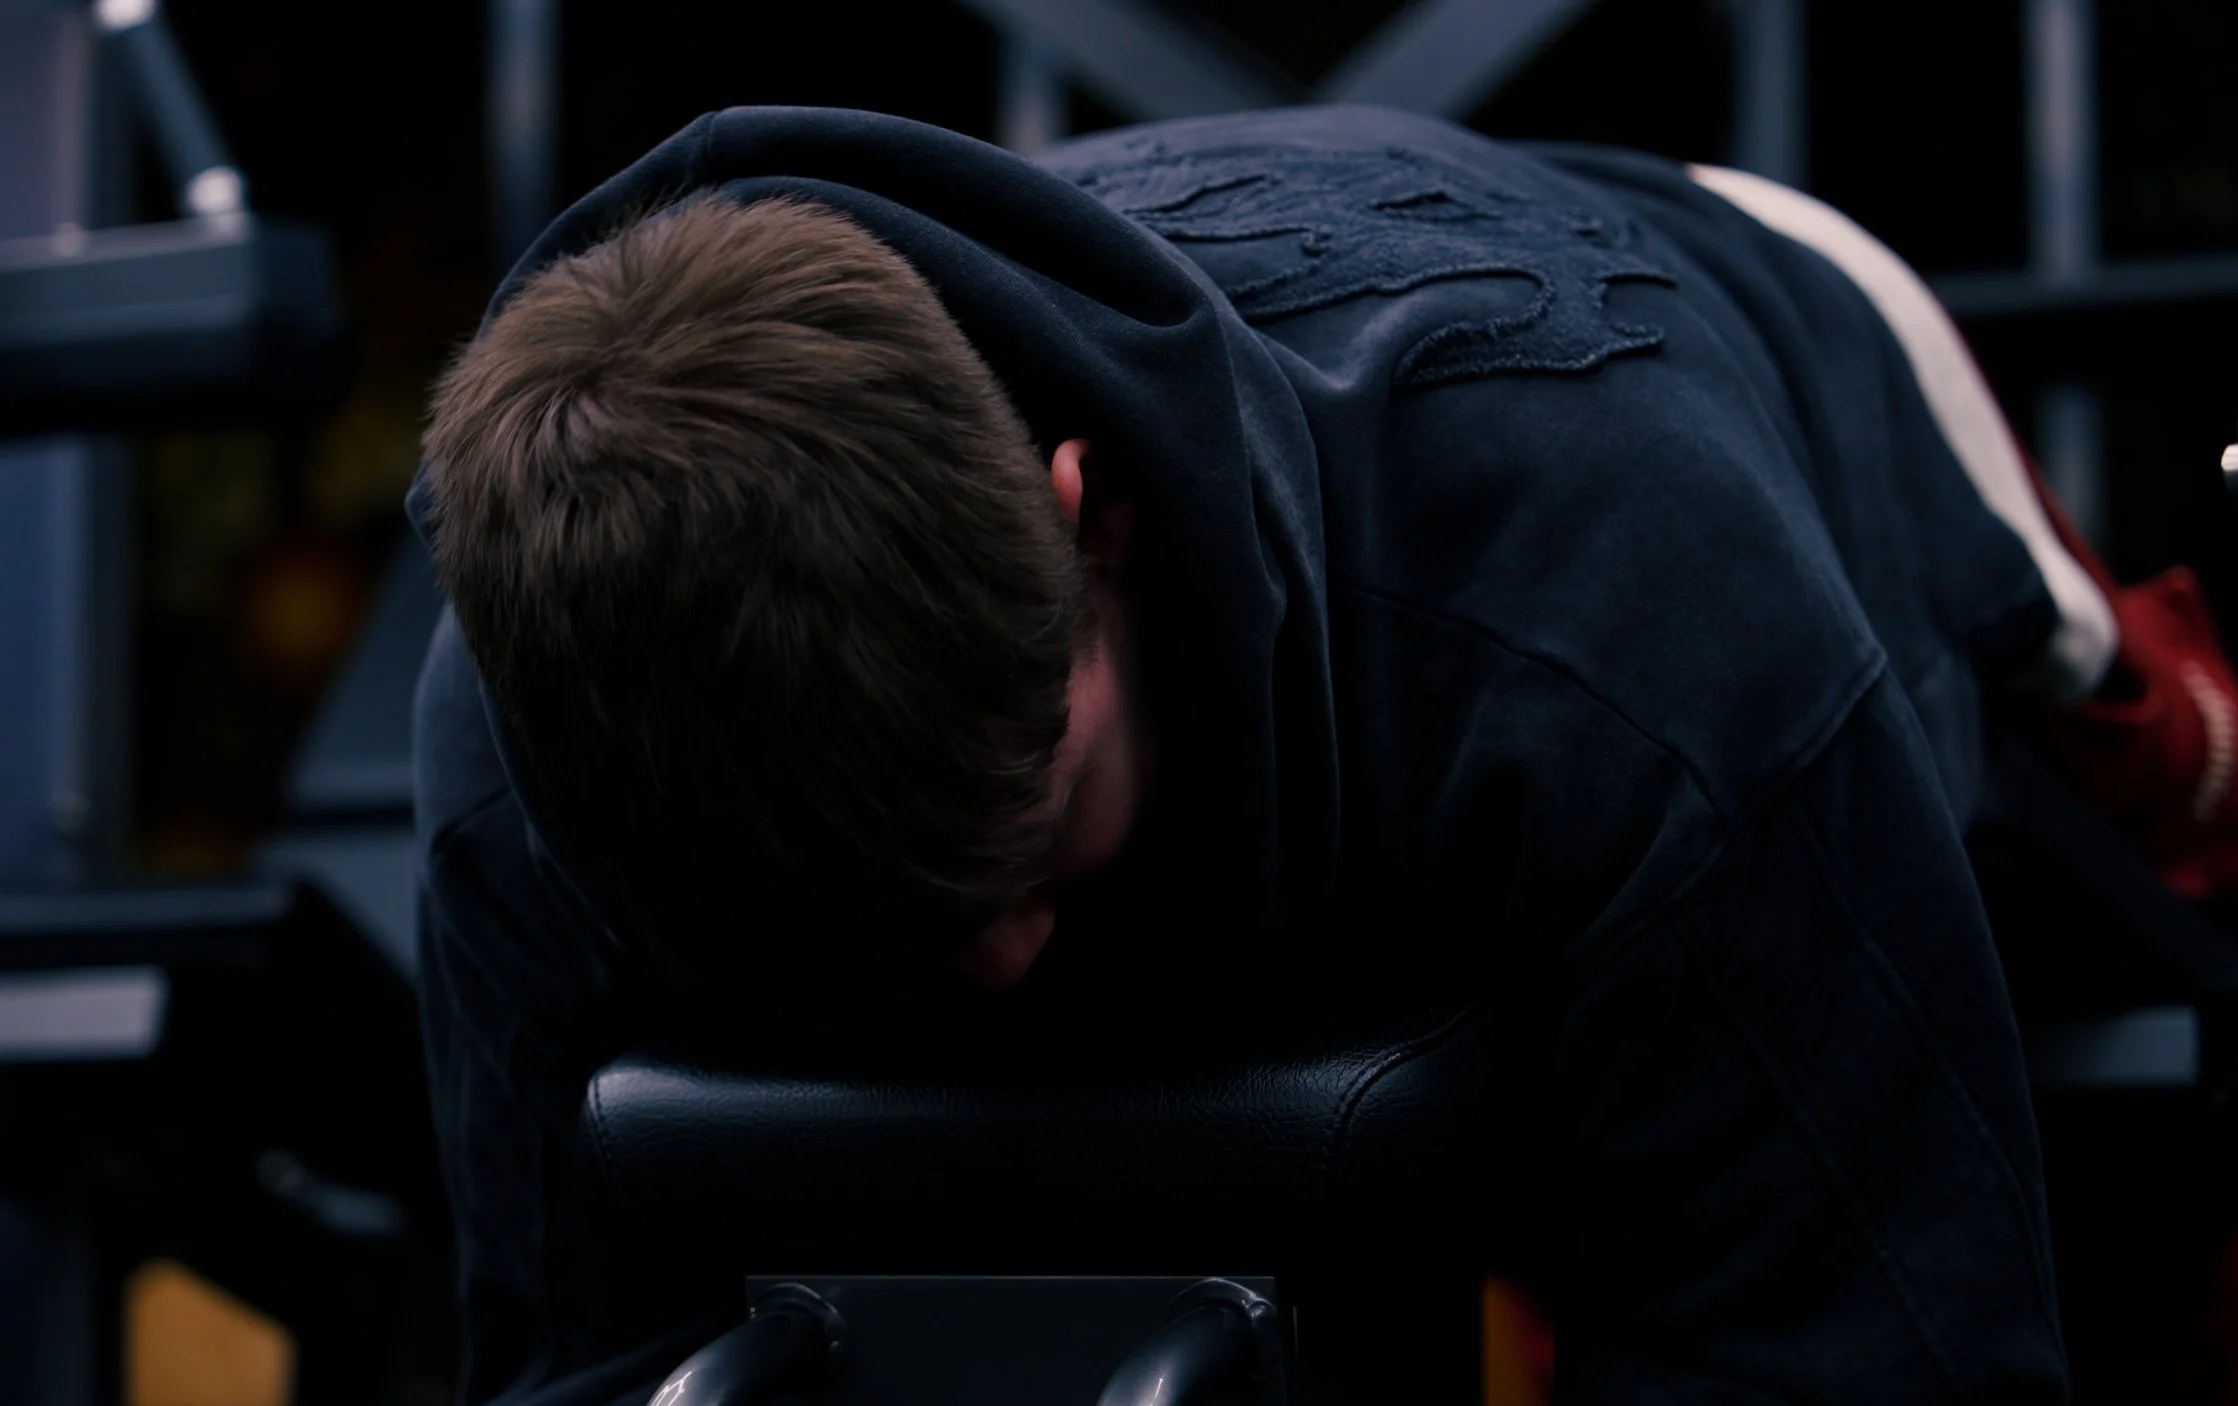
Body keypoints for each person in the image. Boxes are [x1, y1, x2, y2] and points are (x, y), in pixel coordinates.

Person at [410, 104, 2101, 1405]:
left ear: (1098, 522)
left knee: (2126, 991)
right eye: (889, 948)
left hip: (1750, 309)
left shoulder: (1629, 602)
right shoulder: (535, 725)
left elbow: (1860, 1345)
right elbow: (586, 1360)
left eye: (1035, 830)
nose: (1004, 963)